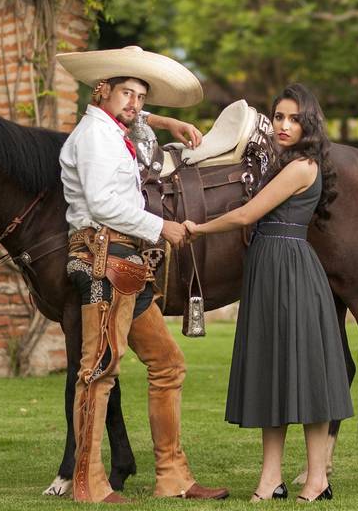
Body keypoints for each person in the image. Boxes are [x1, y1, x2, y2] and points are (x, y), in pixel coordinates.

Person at [57, 46, 229, 503]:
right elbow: (101, 204)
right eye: (126, 93)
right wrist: (163, 226)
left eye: (140, 95)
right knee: (98, 371)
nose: (134, 103)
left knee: (167, 363)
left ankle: (172, 477)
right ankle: (88, 484)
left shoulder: (114, 129)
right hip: (104, 260)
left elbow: (134, 120)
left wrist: (165, 122)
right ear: (102, 91)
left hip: (127, 264)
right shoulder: (94, 136)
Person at [183, 83, 352, 503]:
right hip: (270, 268)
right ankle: (270, 478)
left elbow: (246, 213)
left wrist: (196, 229)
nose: (283, 125)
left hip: (290, 270)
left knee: (306, 376)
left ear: (308, 124)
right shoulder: (283, 163)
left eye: (294, 119)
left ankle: (317, 480)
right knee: (272, 373)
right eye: (278, 116)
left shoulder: (300, 168)